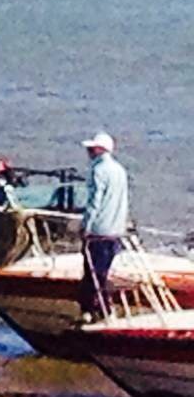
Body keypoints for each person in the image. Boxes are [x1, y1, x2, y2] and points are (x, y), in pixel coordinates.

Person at [79, 131, 129, 321]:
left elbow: (94, 202)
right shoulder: (120, 170)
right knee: (103, 270)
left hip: (99, 230)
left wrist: (86, 226)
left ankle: (93, 310)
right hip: (115, 229)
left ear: (100, 150)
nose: (89, 151)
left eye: (91, 148)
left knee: (92, 272)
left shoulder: (98, 170)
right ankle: (103, 309)